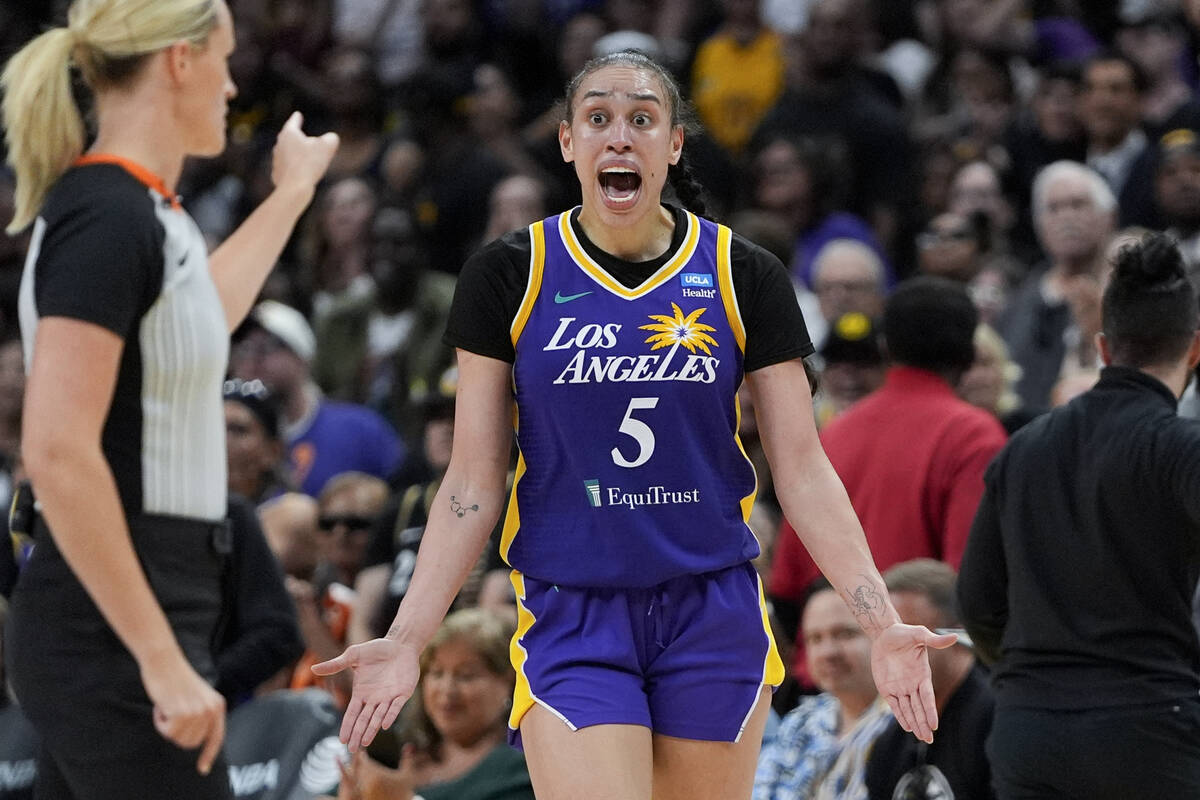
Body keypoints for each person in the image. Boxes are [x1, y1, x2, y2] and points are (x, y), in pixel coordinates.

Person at [313, 50, 953, 800]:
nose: (620, 136)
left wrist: (878, 621)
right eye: (599, 119)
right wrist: (408, 636)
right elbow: (471, 480)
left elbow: (804, 469)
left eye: (642, 119)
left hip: (710, 607)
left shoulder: (742, 273)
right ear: (567, 142)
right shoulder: (508, 274)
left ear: (673, 144)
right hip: (572, 608)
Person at [1, 1, 337, 797]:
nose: (232, 85)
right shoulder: (107, 215)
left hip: (135, 610)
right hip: (110, 624)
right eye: (222, 60)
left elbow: (201, 317)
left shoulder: (148, 213)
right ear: (179, 62)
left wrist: (292, 193)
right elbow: (55, 450)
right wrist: (159, 659)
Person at [958, 232, 1200, 798]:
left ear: (1103, 346)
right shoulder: (1182, 448)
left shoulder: (1020, 448)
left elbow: (977, 603)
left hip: (1029, 728)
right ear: (1193, 349)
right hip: (1149, 724)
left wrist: (1035, 678)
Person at [333, 608, 534, 800]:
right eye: (437, 673)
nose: (447, 689)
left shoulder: (521, 767)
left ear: (508, 681)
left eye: (466, 676)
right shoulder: (397, 752)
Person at [753, 583, 894, 800]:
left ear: (883, 637)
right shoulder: (801, 721)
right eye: (815, 638)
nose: (828, 652)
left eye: (845, 634)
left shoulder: (908, 726)